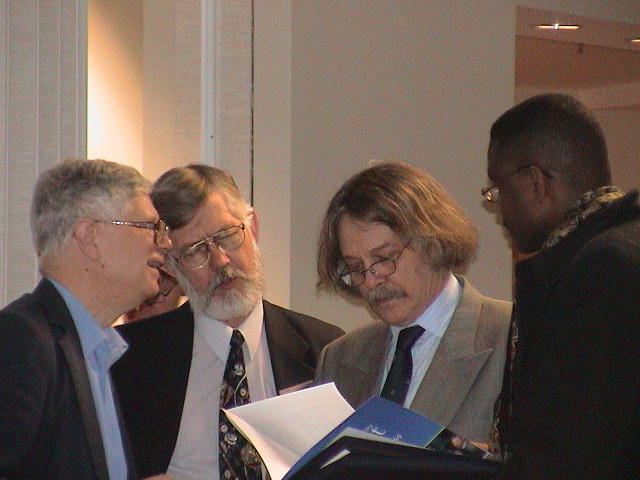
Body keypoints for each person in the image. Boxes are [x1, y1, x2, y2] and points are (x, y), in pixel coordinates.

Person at [112, 164, 344, 480]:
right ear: (170, 265)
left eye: (227, 236)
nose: (220, 260)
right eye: (195, 251)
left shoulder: (327, 350)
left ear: (253, 228)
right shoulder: (128, 358)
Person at [484, 93, 640, 480]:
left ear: (535, 184)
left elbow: (576, 447)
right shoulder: (622, 245)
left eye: (498, 191)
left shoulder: (601, 270)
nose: (499, 208)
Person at [314, 161, 512, 445]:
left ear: (432, 239)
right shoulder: (339, 358)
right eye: (356, 267)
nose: (371, 282)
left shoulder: (513, 336)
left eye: (384, 258)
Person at [0, 158, 171, 480]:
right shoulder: (21, 341)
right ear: (90, 237)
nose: (165, 242)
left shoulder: (97, 350)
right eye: (150, 228)